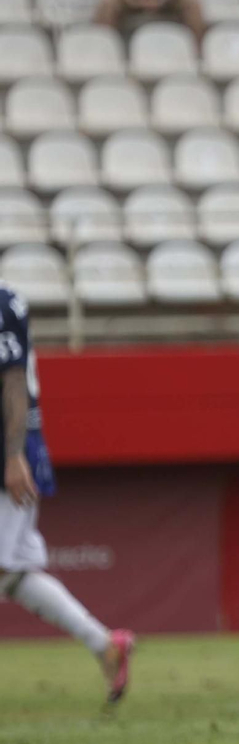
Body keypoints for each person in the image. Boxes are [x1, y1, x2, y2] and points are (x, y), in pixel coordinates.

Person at [0, 285, 133, 702]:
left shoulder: (1, 304)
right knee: (13, 572)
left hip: (7, 449)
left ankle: (104, 644)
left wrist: (14, 455)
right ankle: (105, 644)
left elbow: (14, 379)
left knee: (8, 570)